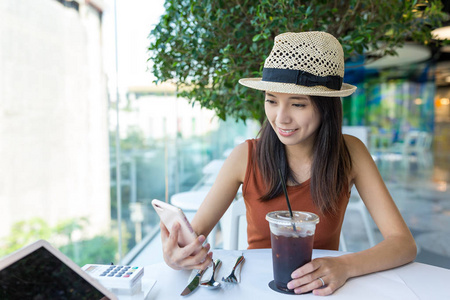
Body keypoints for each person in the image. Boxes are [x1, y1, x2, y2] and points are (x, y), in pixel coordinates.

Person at [160, 31, 416, 296]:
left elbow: (403, 243)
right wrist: (177, 255)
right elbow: (193, 237)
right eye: (271, 100)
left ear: (326, 107)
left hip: (320, 291)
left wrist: (345, 265)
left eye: (297, 104)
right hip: (253, 289)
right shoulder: (245, 156)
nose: (280, 118)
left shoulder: (350, 153)